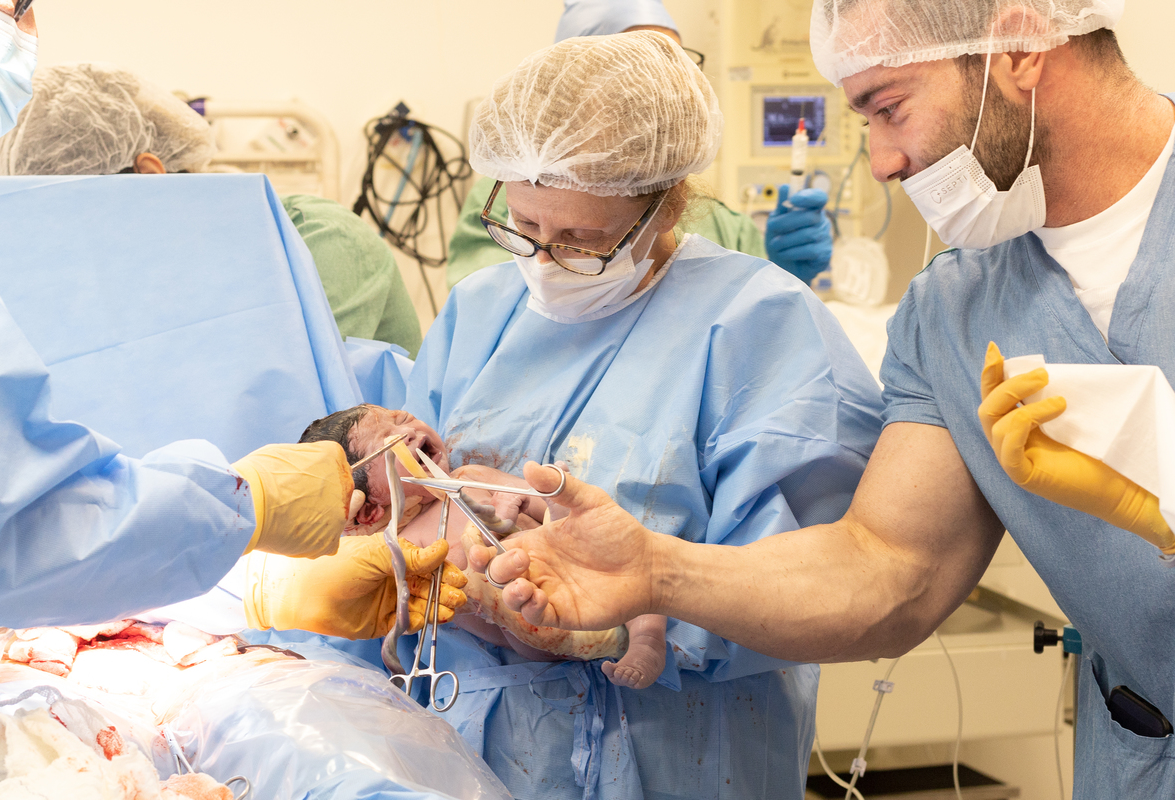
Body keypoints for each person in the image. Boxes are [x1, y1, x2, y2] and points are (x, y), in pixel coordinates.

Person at [471, 0, 1175, 795]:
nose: (881, 162)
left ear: (1018, 45)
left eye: (888, 107)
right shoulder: (956, 310)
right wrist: (656, 571)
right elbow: (889, 567)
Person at [385, 30, 884, 800]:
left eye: (581, 242)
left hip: (678, 757)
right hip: (473, 752)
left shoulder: (760, 327)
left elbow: (820, 585)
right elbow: (417, 500)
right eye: (523, 228)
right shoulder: (479, 314)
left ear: (666, 203)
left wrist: (625, 624)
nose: (543, 264)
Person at [0, 7, 463, 643]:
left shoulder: (288, 259)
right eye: (4, 10)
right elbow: (24, 530)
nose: (20, 24)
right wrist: (250, 507)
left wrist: (262, 540)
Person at [0, 63, 424, 357]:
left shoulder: (318, 242)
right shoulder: (149, 275)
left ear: (149, 177)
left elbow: (294, 411)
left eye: (79, 219)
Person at [444, 0, 833, 289]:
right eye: (633, 72)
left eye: (675, 63)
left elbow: (752, 323)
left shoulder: (712, 215)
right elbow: (492, 309)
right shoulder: (512, 198)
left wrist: (782, 273)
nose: (664, 89)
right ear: (563, 82)